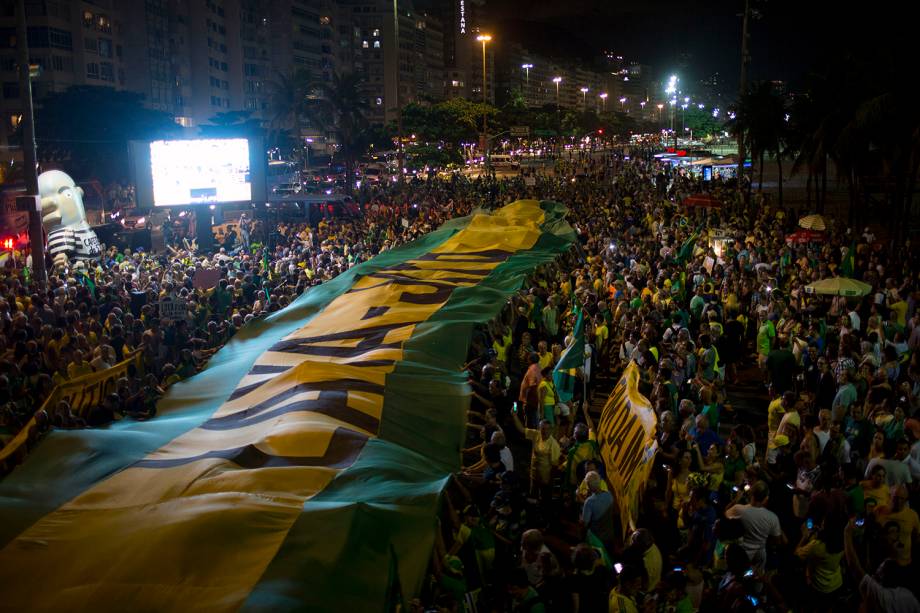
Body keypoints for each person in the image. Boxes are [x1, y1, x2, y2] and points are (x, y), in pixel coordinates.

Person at [843, 519, 920, 613]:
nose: (895, 535)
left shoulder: (889, 592)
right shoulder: (879, 553)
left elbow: (856, 570)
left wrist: (847, 533)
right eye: (892, 532)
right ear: (884, 536)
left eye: (897, 532)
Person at [724, 480, 787, 570]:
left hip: (739, 552)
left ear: (751, 494)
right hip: (758, 557)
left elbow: (725, 514)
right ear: (766, 498)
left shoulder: (738, 509)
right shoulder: (772, 517)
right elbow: (777, 541)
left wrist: (736, 500)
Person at [580, 471, 616, 554]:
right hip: (610, 535)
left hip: (597, 538)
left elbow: (585, 523)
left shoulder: (589, 502)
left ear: (588, 486)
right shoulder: (609, 495)